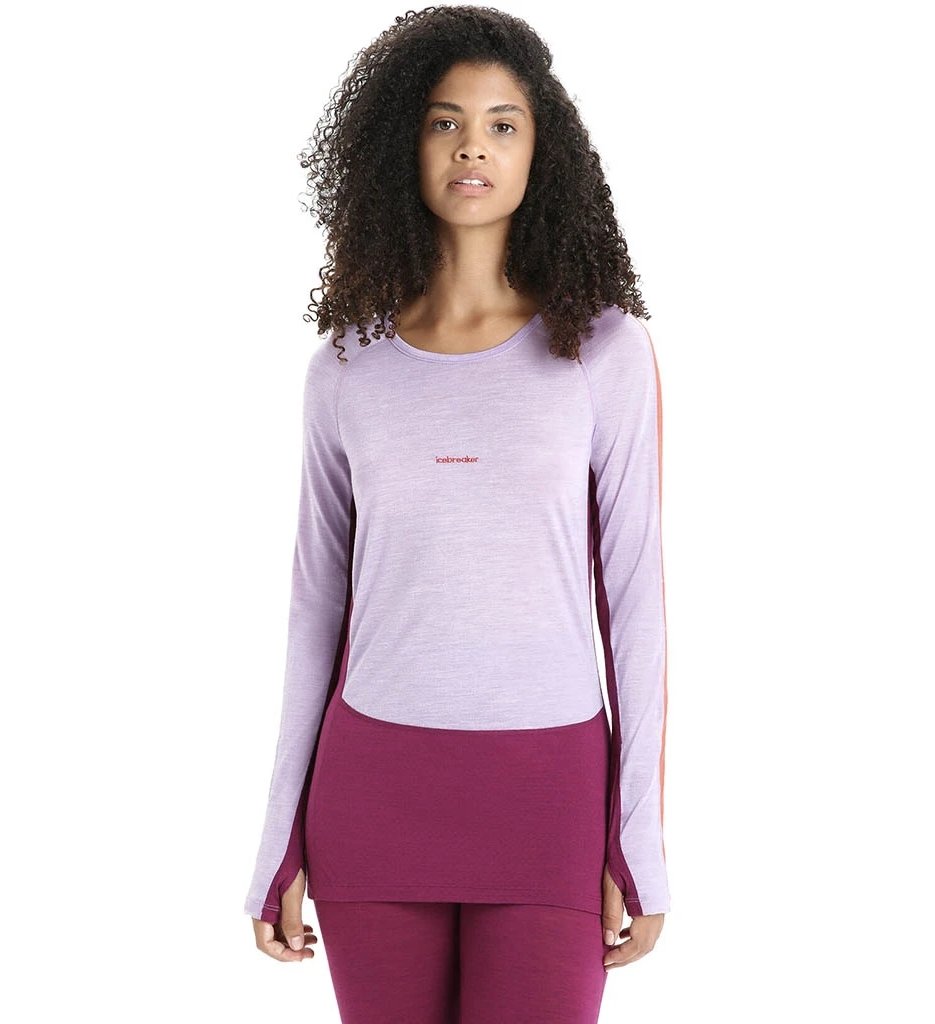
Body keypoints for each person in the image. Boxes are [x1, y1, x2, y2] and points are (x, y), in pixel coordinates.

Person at [243, 6, 671, 1021]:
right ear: (403, 146)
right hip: (373, 793)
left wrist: (639, 837)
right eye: (444, 122)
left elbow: (635, 602)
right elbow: (314, 612)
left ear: (540, 153)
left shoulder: (602, 353)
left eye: (501, 124)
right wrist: (277, 842)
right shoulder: (345, 367)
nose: (472, 145)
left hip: (549, 795)